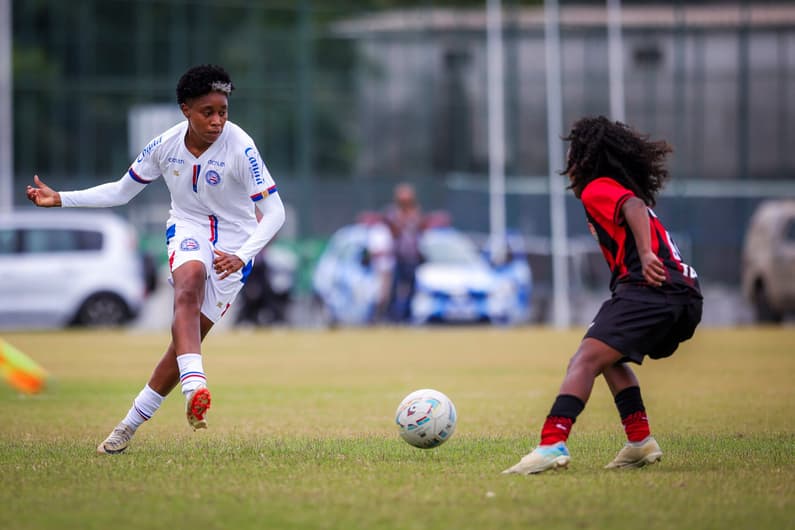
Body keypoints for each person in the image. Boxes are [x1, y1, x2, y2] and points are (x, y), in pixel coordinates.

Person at [26, 64, 286, 454]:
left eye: (223, 112)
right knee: (188, 284)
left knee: (183, 343)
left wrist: (243, 254)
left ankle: (127, 425)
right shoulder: (164, 145)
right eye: (208, 112)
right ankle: (196, 386)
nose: (217, 121)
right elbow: (120, 191)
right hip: (188, 227)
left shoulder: (241, 146)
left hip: (237, 242)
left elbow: (276, 212)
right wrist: (61, 197)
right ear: (185, 110)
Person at [502, 116, 702, 475]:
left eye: (572, 156)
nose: (568, 166)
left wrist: (645, 254)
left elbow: (634, 207)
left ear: (584, 159)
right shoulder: (605, 187)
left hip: (652, 287)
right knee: (610, 356)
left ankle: (551, 443)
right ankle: (640, 441)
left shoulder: (598, 187)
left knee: (584, 360)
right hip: (682, 294)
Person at [383, 183, 424, 322]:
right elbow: (392, 233)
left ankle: (407, 316)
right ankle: (391, 317)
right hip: (397, 256)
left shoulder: (416, 213)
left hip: (412, 257)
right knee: (394, 288)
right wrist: (401, 221)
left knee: (412, 288)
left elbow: (420, 231)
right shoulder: (393, 213)